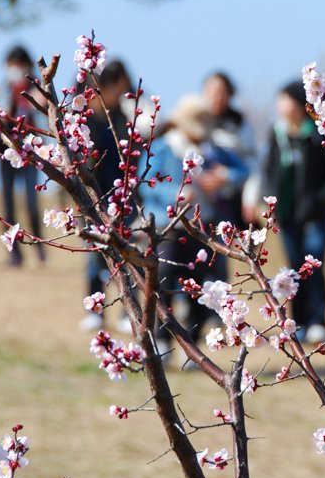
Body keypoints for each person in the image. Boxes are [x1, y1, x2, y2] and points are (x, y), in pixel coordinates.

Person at [141, 95, 249, 355]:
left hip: (203, 227)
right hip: (169, 227)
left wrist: (223, 177)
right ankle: (162, 340)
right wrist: (176, 196)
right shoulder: (164, 148)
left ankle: (192, 341)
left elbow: (243, 170)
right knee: (163, 282)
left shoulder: (212, 150)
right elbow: (144, 183)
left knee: (200, 286)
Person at [261, 81, 325, 343]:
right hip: (287, 212)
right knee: (293, 268)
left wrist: (320, 202)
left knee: (314, 263)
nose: (280, 106)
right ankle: (299, 321)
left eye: (285, 100)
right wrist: (269, 203)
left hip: (315, 213)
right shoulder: (277, 133)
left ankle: (318, 319)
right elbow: (270, 170)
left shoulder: (317, 133)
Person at [78, 60, 135, 331]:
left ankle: (127, 311)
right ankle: (94, 309)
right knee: (94, 254)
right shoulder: (88, 119)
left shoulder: (125, 117)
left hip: (123, 195)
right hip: (93, 195)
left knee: (125, 253)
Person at [0, 46, 44, 266]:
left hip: (31, 152)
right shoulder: (1, 89)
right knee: (8, 205)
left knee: (32, 202)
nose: (15, 69)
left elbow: (43, 112)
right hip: (6, 152)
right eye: (12, 65)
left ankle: (39, 245)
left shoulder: (36, 89)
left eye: (20, 65)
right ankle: (14, 252)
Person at [203, 71, 258, 227]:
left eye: (222, 92)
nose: (216, 97)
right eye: (211, 91)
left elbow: (251, 165)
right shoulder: (194, 118)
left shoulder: (239, 125)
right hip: (199, 199)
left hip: (231, 198)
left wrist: (249, 200)